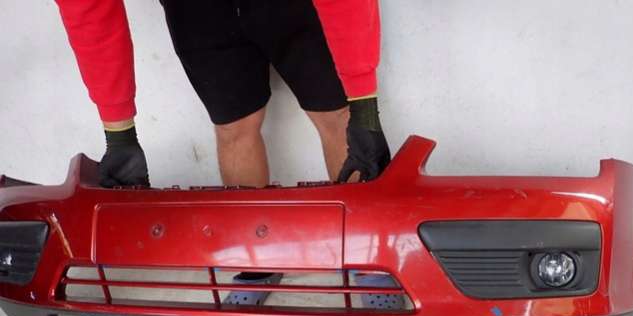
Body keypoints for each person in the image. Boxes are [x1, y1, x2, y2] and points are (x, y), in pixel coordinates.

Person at [54, 0, 391, 188]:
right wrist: (120, 135)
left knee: (338, 116)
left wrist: (363, 105)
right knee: (234, 128)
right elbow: (87, 9)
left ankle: (365, 254)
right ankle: (255, 259)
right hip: (199, 12)